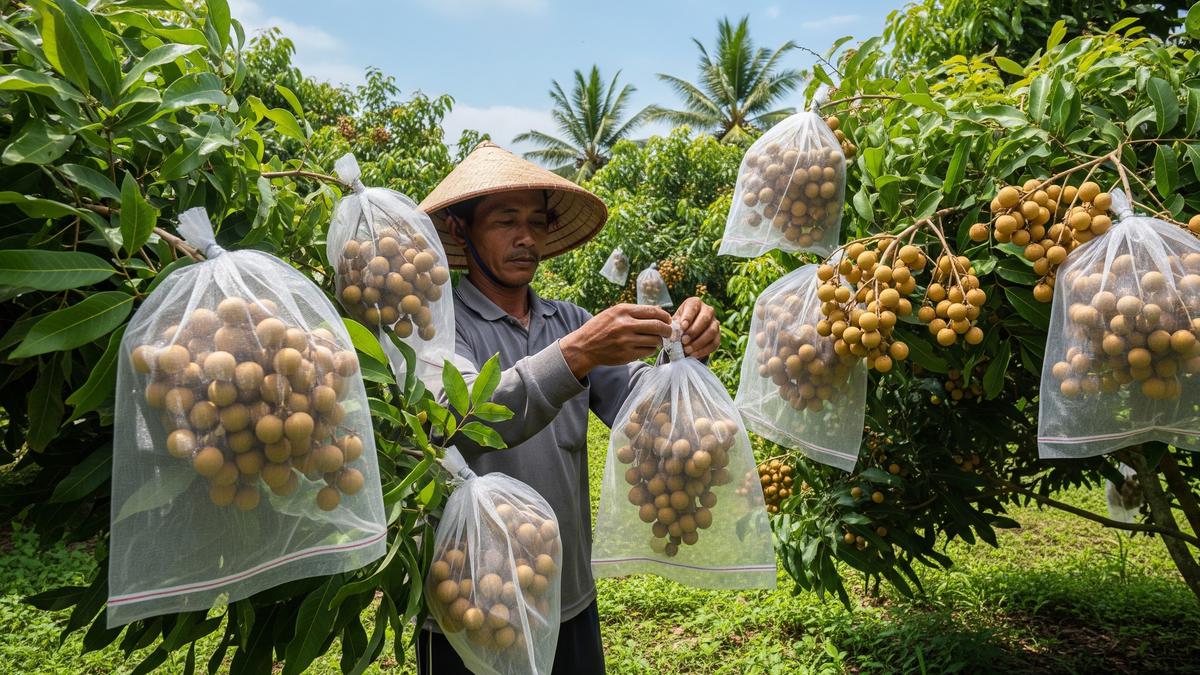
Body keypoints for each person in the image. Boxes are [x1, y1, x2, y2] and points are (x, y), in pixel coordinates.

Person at [414, 142, 720, 674]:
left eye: (536, 221)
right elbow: (458, 418)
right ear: (460, 231)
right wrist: (578, 352)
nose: (526, 237)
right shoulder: (437, 326)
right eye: (506, 221)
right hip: (470, 601)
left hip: (566, 590)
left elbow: (638, 404)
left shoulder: (569, 320)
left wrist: (680, 354)